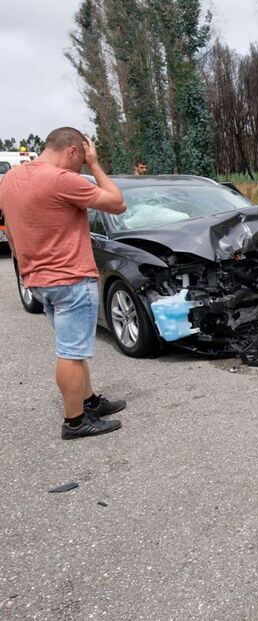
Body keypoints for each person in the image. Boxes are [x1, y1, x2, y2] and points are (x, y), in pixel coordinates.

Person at [0, 127, 128, 439]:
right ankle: (75, 421)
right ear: (72, 150)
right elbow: (117, 203)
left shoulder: (10, 179)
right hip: (70, 279)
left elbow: (12, 234)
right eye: (82, 161)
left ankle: (89, 402)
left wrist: (26, 271)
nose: (82, 168)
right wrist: (96, 166)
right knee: (71, 352)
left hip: (39, 280)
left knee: (76, 347)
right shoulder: (61, 179)